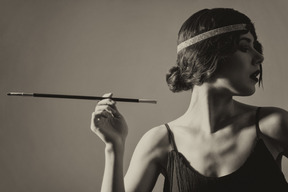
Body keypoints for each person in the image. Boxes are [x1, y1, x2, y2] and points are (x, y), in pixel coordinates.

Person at [90, 8, 288, 192]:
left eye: (256, 47)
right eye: (245, 47)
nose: (259, 57)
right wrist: (113, 146)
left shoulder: (273, 125)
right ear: (207, 56)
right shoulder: (160, 141)